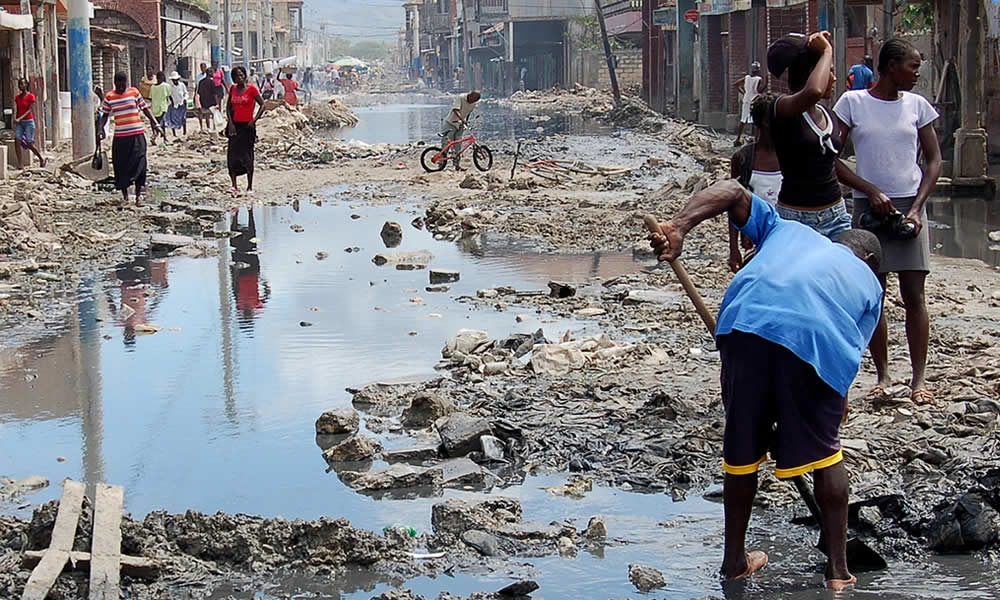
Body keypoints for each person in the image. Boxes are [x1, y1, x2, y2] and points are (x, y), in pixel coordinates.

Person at [649, 180, 884, 591]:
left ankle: (734, 562)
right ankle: (838, 572)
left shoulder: (789, 230)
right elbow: (845, 361)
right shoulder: (870, 284)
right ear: (868, 259)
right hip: (815, 341)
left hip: (745, 325)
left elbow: (732, 191)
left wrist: (680, 226)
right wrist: (814, 419)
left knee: (742, 447)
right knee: (827, 453)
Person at [833, 38, 942, 405]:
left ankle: (918, 379)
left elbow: (934, 160)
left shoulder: (917, 106)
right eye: (912, 66)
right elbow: (831, 158)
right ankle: (882, 373)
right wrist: (869, 190)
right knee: (873, 296)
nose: (916, 74)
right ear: (891, 66)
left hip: (909, 206)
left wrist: (916, 209)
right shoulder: (852, 103)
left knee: (914, 295)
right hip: (869, 210)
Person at [766, 31, 849, 240]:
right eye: (829, 71)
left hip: (836, 216)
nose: (834, 78)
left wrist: (870, 189)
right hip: (796, 218)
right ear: (813, 73)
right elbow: (813, 92)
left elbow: (833, 163)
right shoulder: (780, 108)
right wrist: (827, 50)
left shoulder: (828, 115)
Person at [728, 94, 781, 272]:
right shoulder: (743, 158)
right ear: (766, 122)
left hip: (785, 237)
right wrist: (733, 248)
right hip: (756, 239)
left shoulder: (792, 156)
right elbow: (733, 205)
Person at [99, 72, 162, 206]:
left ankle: (139, 196)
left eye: (124, 84)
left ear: (127, 83)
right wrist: (100, 130)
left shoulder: (134, 92)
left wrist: (155, 124)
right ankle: (126, 197)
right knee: (121, 166)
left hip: (137, 135)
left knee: (140, 163)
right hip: (121, 138)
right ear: (115, 83)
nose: (122, 87)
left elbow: (145, 109)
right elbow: (104, 116)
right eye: (119, 84)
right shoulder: (110, 97)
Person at [225, 65, 266, 197]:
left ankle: (249, 186)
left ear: (245, 75)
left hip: (248, 127)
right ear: (234, 78)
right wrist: (230, 123)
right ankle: (234, 185)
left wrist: (254, 120)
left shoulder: (252, 90)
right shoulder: (233, 89)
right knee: (232, 156)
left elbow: (263, 105)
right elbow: (228, 107)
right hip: (235, 127)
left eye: (241, 75)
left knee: (247, 156)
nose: (240, 77)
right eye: (237, 76)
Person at [443, 90, 481, 172]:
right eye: (473, 100)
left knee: (458, 146)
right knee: (446, 144)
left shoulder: (473, 103)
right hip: (451, 123)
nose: (473, 102)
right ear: (470, 96)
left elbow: (468, 113)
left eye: (475, 101)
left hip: (460, 124)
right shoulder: (460, 98)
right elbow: (455, 110)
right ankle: (441, 164)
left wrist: (466, 121)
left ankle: (457, 165)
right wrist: (461, 119)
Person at [13, 78, 46, 168]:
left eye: (23, 84)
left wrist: (20, 118)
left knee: (29, 143)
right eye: (20, 84)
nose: (21, 86)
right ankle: (20, 163)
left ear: (26, 85)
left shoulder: (31, 96)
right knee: (17, 140)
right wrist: (16, 119)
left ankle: (41, 158)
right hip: (20, 123)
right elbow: (18, 109)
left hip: (28, 122)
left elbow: (30, 110)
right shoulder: (17, 98)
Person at [733, 62, 764, 146]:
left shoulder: (746, 78)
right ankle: (756, 139)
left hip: (746, 100)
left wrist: (744, 92)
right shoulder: (758, 79)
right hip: (754, 101)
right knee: (756, 121)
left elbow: (736, 84)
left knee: (743, 120)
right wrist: (765, 85)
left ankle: (738, 138)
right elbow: (758, 90)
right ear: (758, 70)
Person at [149, 71, 171, 145]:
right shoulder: (166, 86)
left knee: (156, 122)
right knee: (161, 123)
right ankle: (156, 135)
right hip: (163, 107)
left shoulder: (152, 87)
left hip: (154, 107)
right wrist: (172, 103)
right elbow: (169, 96)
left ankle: (163, 137)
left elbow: (150, 98)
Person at [166, 71, 188, 138]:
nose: (175, 81)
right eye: (173, 80)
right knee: (173, 118)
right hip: (174, 105)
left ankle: (184, 132)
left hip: (181, 104)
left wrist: (185, 99)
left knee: (183, 118)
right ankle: (174, 133)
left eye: (176, 80)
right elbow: (169, 95)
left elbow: (185, 93)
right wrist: (171, 102)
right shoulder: (170, 87)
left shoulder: (182, 85)